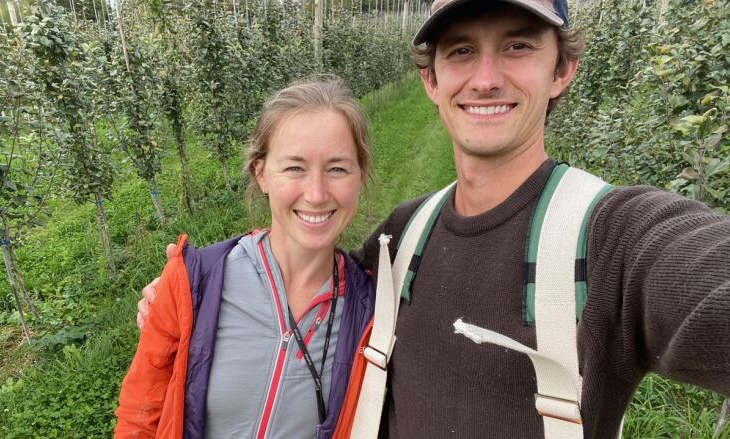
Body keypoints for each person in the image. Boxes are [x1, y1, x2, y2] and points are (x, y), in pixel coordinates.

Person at [138, 1, 730, 437]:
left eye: (519, 45)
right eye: (461, 51)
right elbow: (304, 261)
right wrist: (190, 293)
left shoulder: (616, 237)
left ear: (562, 70)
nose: (487, 77)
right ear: (431, 78)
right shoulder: (401, 238)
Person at [115, 77, 374, 439]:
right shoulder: (195, 283)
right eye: (295, 168)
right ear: (261, 173)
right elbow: (140, 416)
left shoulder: (372, 313)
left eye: (337, 169)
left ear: (359, 175)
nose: (316, 193)